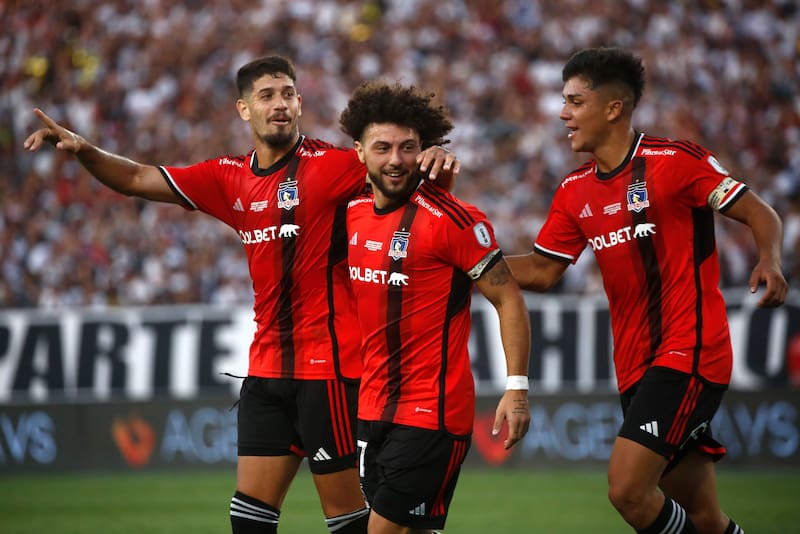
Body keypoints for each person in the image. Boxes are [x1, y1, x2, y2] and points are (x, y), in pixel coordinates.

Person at [23, 55, 458, 534]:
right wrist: (85, 149)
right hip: (266, 370)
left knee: (348, 521)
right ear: (243, 109)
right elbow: (138, 178)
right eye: (267, 96)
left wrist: (433, 157)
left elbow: (395, 165)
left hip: (330, 373)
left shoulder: (335, 165)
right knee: (248, 517)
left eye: (288, 94)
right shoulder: (228, 176)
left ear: (299, 103)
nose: (280, 105)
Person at [506, 47, 788, 534]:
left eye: (574, 101)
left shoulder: (675, 162)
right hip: (634, 365)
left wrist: (770, 257)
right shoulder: (574, 190)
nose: (562, 113)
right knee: (704, 519)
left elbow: (758, 211)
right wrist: (466, 262)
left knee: (628, 490)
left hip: (689, 352)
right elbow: (541, 271)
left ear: (613, 108)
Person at [339, 81, 532, 534]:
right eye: (382, 147)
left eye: (408, 147)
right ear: (359, 152)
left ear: (424, 150)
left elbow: (508, 298)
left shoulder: (454, 220)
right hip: (370, 409)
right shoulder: (349, 213)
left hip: (432, 412)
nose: (395, 159)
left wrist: (517, 389)